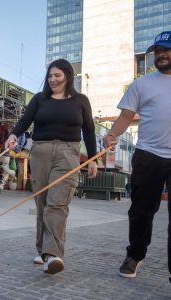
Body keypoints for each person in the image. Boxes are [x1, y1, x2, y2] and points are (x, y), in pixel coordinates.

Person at [5, 58, 98, 275]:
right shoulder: (39, 99)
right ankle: (43, 250)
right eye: (50, 76)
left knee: (57, 204)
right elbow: (25, 120)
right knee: (43, 204)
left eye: (57, 75)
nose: (53, 79)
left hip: (68, 153)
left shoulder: (81, 101)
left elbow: (90, 131)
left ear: (67, 76)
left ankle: (53, 254)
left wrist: (93, 158)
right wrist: (13, 135)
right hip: (40, 152)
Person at [102, 31, 171, 280]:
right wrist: (111, 135)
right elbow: (125, 116)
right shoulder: (142, 83)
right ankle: (136, 255)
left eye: (167, 49)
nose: (162, 54)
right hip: (147, 155)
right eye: (158, 51)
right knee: (141, 210)